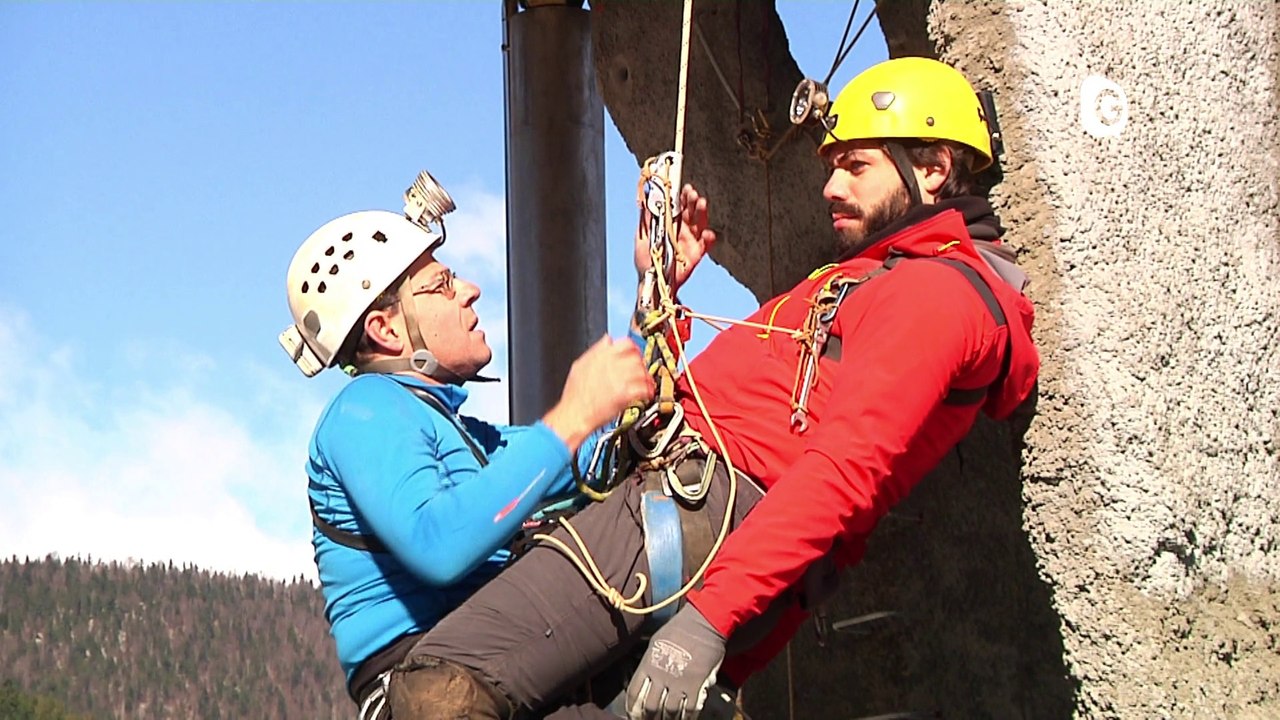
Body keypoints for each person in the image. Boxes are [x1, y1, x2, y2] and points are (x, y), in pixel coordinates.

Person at [387, 56, 1041, 720]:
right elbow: (707, 399)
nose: (830, 186)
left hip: (700, 518)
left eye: (856, 166)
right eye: (831, 166)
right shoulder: (881, 278)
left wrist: (710, 617)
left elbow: (846, 469)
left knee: (439, 688)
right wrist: (661, 291)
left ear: (931, 168)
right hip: (695, 519)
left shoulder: (935, 294)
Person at [277, 176, 701, 719]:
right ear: (385, 330)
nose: (469, 289)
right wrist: (571, 417)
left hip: (498, 674)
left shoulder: (472, 439)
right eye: (442, 283)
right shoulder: (364, 410)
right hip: (430, 684)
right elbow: (440, 544)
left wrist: (655, 288)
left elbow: (599, 457)